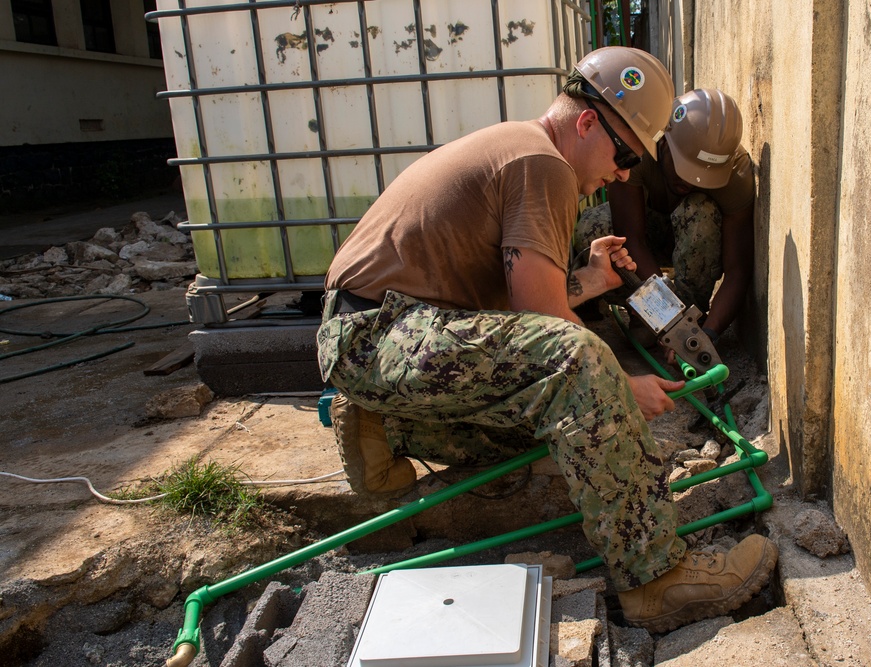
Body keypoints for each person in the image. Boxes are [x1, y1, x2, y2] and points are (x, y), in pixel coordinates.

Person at [317, 47, 777, 633]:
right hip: (380, 332)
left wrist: (591, 279)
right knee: (582, 363)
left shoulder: (524, 150)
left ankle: (383, 426)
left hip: (376, 332)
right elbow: (548, 325)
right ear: (587, 121)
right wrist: (620, 384)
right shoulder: (545, 164)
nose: (626, 173)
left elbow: (515, 310)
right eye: (625, 153)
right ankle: (658, 578)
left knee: (554, 424)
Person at [574, 87, 755, 343]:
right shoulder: (637, 145)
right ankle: (646, 313)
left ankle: (689, 316)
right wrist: (666, 317)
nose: (690, 182)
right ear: (663, 142)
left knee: (700, 209)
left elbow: (738, 269)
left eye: (702, 175)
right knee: (594, 229)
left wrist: (705, 335)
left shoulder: (735, 173)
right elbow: (631, 240)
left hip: (695, 244)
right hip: (644, 238)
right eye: (684, 169)